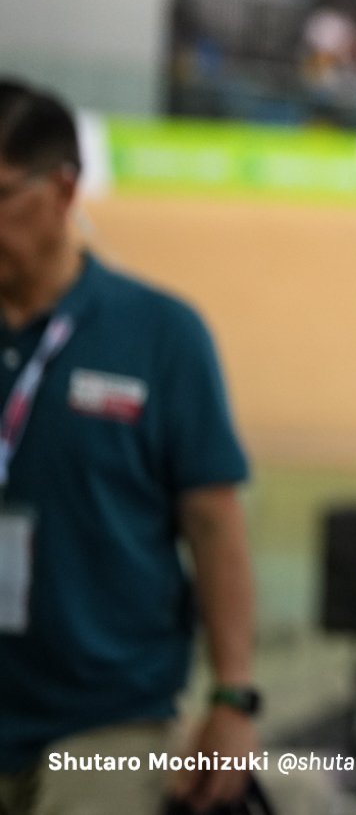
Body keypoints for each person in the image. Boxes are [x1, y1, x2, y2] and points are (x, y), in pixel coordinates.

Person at [0, 80, 261, 815]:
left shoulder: (162, 336)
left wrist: (233, 694)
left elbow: (215, 525)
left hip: (108, 719)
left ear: (62, 190)